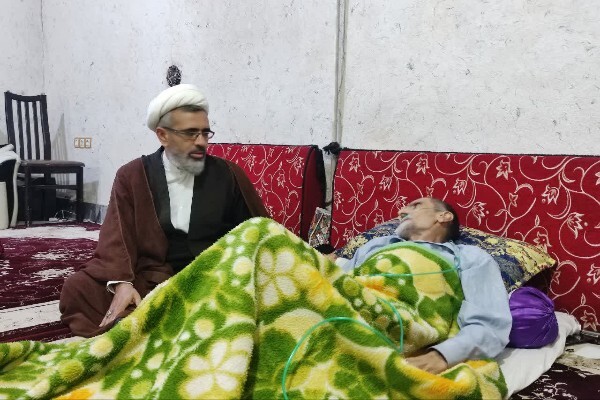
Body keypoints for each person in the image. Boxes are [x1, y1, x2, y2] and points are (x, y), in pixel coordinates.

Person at [60, 84, 268, 337]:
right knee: (77, 288)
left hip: (211, 275)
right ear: (162, 135)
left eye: (205, 133)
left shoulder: (228, 174)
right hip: (153, 277)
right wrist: (122, 283)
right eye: (190, 134)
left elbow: (258, 229)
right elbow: (118, 236)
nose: (201, 142)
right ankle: (160, 318)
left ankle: (148, 324)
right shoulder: (132, 175)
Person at [332, 197, 512, 374]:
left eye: (415, 205)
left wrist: (442, 356)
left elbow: (490, 322)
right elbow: (338, 280)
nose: (401, 211)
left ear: (444, 216)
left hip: (403, 329)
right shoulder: (376, 245)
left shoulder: (470, 257)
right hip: (344, 314)